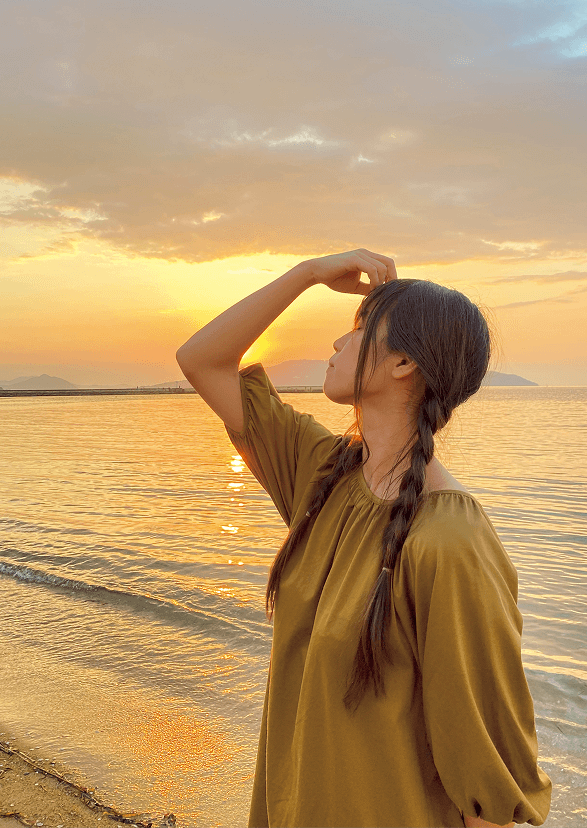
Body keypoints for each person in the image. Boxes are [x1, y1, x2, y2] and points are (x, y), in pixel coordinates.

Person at [176, 248, 552, 828]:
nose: (337, 343)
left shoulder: (450, 540)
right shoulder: (321, 474)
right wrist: (307, 273)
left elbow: (488, 781)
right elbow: (202, 360)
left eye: (357, 330)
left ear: (403, 362)